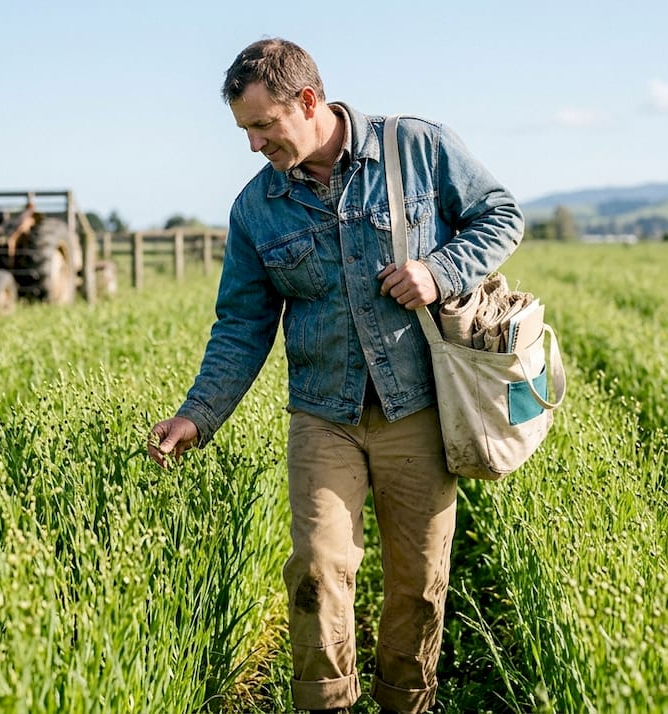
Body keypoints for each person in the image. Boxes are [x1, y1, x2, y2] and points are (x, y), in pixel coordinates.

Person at [147, 38, 524, 714]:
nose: (254, 144)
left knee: (418, 582)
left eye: (264, 125)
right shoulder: (256, 209)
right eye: (245, 130)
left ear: (307, 101)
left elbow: (501, 215)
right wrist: (197, 414)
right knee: (317, 571)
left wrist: (438, 272)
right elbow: (242, 325)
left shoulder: (416, 147)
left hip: (419, 407)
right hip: (324, 414)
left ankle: (407, 702)